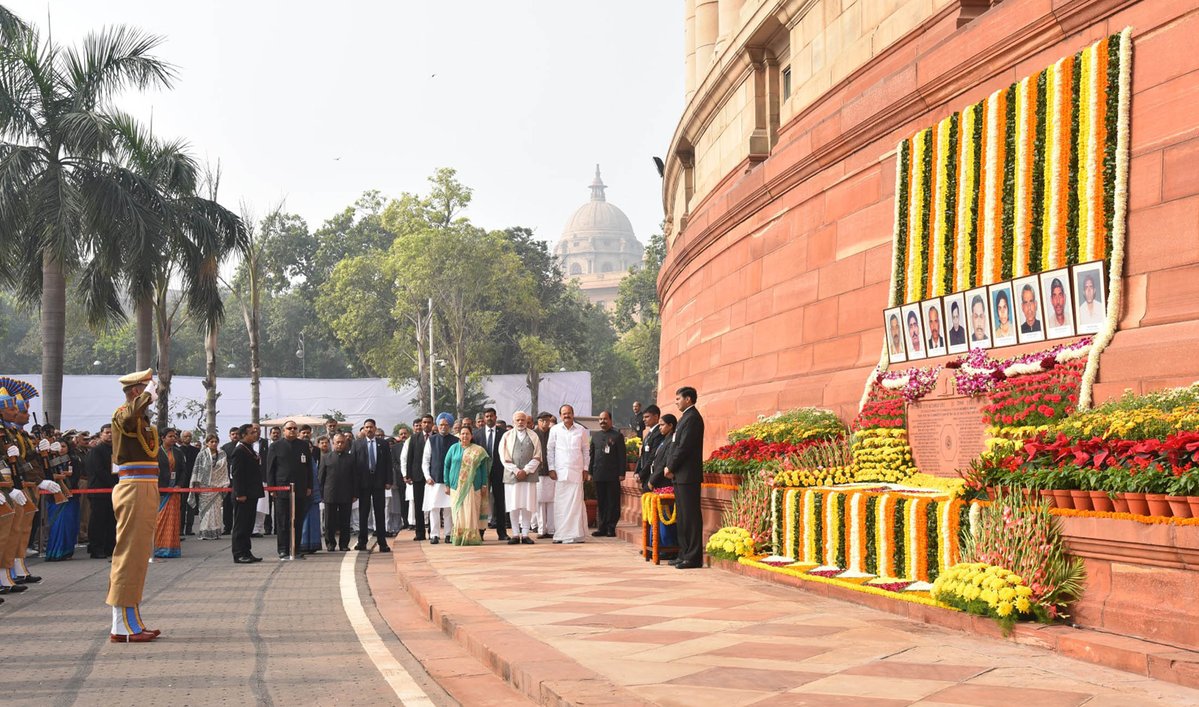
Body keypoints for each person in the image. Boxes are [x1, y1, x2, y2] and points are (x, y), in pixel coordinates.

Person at [106, 369, 163, 642]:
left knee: (139, 553)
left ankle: (131, 620)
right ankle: (122, 625)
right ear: (136, 392)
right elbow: (130, 415)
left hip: (145, 484)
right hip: (134, 486)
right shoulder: (122, 415)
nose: (154, 398)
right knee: (129, 552)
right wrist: (146, 395)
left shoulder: (140, 420)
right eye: (149, 392)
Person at [661, 386, 705, 570]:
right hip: (680, 475)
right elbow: (674, 446)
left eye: (678, 398)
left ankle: (693, 557)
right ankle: (684, 553)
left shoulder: (693, 418)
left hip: (688, 475)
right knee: (683, 517)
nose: (676, 401)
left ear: (688, 399)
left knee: (691, 517)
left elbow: (684, 447)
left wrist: (671, 466)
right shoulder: (684, 418)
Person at [265, 420, 312, 559]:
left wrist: (309, 486)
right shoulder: (275, 446)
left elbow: (308, 467)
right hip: (282, 488)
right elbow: (270, 469)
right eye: (289, 428)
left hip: (300, 488)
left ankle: (296, 548)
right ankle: (283, 549)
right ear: (283, 430)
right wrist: (272, 487)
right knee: (283, 521)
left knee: (297, 520)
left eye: (294, 428)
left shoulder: (303, 445)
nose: (292, 430)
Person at [547, 404, 589, 545]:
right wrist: (551, 468)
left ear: (573, 414)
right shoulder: (555, 430)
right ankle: (561, 534)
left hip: (576, 472)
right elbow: (550, 450)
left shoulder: (581, 430)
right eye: (564, 413)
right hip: (560, 472)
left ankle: (576, 535)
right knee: (561, 505)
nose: (567, 415)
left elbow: (586, 450)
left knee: (576, 504)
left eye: (569, 413)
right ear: (560, 415)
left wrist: (585, 468)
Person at [499, 411, 542, 545]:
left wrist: (526, 470)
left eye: (523, 420)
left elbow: (538, 455)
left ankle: (525, 534)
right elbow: (503, 455)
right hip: (512, 476)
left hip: (529, 476)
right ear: (513, 421)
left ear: (527, 421)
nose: (520, 422)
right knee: (514, 505)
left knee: (527, 505)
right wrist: (517, 471)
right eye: (517, 420)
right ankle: (516, 534)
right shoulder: (507, 436)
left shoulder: (534, 435)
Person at [443, 426, 490, 546]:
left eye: (467, 434)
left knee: (472, 511)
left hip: (474, 485)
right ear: (459, 435)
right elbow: (447, 466)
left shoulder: (478, 450)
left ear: (471, 435)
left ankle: (471, 537)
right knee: (458, 511)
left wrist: (484, 484)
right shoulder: (453, 448)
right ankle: (459, 537)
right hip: (456, 485)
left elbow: (484, 468)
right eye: (462, 434)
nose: (465, 436)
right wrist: (447, 484)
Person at [352, 419, 391, 553]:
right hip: (363, 483)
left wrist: (388, 481)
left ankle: (382, 542)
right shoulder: (357, 444)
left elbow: (388, 464)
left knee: (380, 512)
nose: (369, 429)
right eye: (366, 427)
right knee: (363, 512)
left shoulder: (383, 444)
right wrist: (355, 486)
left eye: (371, 427)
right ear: (363, 429)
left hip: (379, 482)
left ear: (375, 428)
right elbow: (354, 467)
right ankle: (362, 541)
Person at [229, 423, 264, 565]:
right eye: (252, 432)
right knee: (241, 525)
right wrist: (240, 493)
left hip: (252, 493)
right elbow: (236, 474)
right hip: (243, 495)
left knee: (248, 524)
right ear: (244, 435)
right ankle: (238, 554)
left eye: (255, 432)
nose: (255, 434)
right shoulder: (239, 451)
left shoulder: (249, 448)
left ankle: (246, 551)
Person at [589, 411, 626, 538]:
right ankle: (602, 527)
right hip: (598, 474)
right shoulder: (595, 436)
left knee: (612, 501)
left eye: (605, 419)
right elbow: (592, 455)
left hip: (613, 474)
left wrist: (622, 473)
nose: (602, 421)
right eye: (600, 419)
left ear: (610, 420)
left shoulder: (617, 436)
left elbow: (622, 456)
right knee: (601, 501)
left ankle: (611, 527)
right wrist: (590, 472)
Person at [474, 407, 509, 541]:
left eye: (491, 416)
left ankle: (502, 532)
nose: (489, 418)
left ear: (495, 417)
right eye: (487, 416)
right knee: (482, 502)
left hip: (499, 471)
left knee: (500, 502)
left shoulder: (504, 434)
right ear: (484, 418)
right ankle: (480, 532)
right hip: (482, 472)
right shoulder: (477, 434)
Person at [423, 414, 457, 544]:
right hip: (434, 480)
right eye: (441, 424)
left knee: (449, 509)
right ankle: (434, 535)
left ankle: (448, 534)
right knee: (434, 508)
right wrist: (427, 476)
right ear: (437, 425)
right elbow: (425, 460)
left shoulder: (455, 440)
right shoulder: (431, 440)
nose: (443, 427)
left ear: (450, 426)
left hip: (450, 481)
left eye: (446, 424)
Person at [319, 433, 356, 551]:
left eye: (342, 442)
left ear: (345, 443)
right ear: (333, 443)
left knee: (345, 521)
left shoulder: (351, 458)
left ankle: (344, 544)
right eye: (337, 442)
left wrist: (355, 494)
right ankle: (330, 543)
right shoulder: (326, 457)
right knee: (330, 521)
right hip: (330, 493)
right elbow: (321, 477)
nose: (340, 444)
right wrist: (321, 494)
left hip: (346, 493)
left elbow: (355, 477)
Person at [44, 438, 80, 561]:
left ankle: (67, 551)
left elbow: (76, 476)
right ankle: (55, 552)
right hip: (54, 497)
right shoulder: (48, 460)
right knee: (56, 525)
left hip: (71, 497)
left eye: (63, 446)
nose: (61, 449)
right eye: (58, 446)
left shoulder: (74, 460)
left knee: (70, 524)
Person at [86, 424, 117, 559]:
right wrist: (112, 483)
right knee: (98, 521)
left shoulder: (116, 450)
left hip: (113, 491)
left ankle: (110, 547)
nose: (110, 435)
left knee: (112, 520)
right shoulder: (96, 450)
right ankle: (96, 548)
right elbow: (98, 471)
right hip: (99, 490)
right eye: (107, 433)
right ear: (101, 434)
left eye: (112, 433)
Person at [189, 434, 228, 541]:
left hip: (218, 486)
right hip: (204, 487)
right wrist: (196, 484)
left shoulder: (222, 454)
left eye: (216, 441)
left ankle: (215, 532)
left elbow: (224, 470)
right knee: (205, 511)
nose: (214, 443)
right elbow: (196, 469)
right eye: (211, 441)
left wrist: (224, 484)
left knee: (216, 511)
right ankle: (205, 532)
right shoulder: (201, 455)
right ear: (206, 443)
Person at [154, 428, 184, 559]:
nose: (173, 438)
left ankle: (171, 549)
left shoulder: (178, 452)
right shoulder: (155, 452)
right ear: (162, 438)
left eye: (175, 436)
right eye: (170, 436)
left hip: (174, 490)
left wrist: (179, 484)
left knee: (173, 521)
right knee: (159, 520)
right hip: (160, 490)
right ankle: (158, 548)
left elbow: (183, 471)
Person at [404, 414, 433, 541]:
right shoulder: (414, 438)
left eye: (429, 422)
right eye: (424, 422)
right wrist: (408, 474)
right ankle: (420, 533)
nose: (426, 424)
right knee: (419, 505)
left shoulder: (436, 437)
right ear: (421, 424)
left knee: (433, 505)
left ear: (432, 424)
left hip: (433, 476)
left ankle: (433, 532)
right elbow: (409, 457)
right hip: (417, 476)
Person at [299, 428, 324, 554]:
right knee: (303, 520)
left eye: (310, 448)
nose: (308, 450)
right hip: (302, 494)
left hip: (314, 494)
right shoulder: (299, 461)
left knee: (313, 519)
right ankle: (303, 544)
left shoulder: (313, 460)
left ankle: (313, 544)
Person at [534, 412, 555, 539]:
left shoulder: (554, 433)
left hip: (552, 472)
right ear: (538, 422)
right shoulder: (534, 434)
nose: (545, 423)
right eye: (542, 420)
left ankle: (552, 529)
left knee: (552, 501)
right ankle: (541, 529)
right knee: (540, 502)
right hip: (538, 472)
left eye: (547, 420)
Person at [636, 405, 665, 492]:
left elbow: (653, 456)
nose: (644, 419)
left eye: (647, 417)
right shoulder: (649, 434)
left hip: (652, 475)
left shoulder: (659, 433)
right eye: (643, 417)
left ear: (656, 417)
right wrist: (637, 472)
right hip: (645, 475)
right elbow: (643, 455)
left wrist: (642, 474)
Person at [387, 427, 409, 536]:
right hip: (401, 479)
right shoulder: (395, 448)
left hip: (413, 478)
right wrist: (403, 472)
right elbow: (394, 462)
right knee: (402, 501)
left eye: (405, 433)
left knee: (412, 501)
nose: (403, 435)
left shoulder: (412, 445)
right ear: (399, 436)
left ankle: (413, 521)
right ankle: (405, 521)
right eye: (401, 434)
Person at [648, 414, 678, 489]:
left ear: (670, 425)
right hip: (657, 479)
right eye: (659, 425)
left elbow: (664, 462)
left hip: (664, 481)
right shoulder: (665, 440)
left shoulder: (672, 441)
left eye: (662, 425)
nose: (660, 428)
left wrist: (653, 480)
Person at [177, 429, 198, 537]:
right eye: (185, 436)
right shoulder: (178, 450)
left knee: (191, 506)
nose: (188, 438)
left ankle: (189, 529)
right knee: (181, 506)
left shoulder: (196, 451)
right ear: (181, 438)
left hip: (193, 481)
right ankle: (180, 529)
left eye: (189, 436)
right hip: (182, 482)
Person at [221, 426, 240, 535]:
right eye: (233, 434)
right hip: (227, 480)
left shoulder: (243, 446)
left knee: (239, 504)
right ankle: (227, 527)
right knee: (227, 504)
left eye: (237, 434)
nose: (235, 436)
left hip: (239, 480)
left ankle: (238, 527)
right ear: (230, 435)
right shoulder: (225, 447)